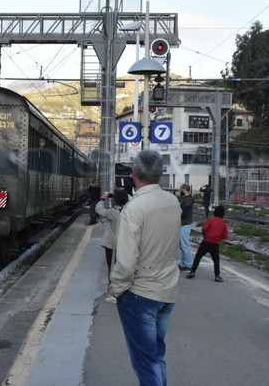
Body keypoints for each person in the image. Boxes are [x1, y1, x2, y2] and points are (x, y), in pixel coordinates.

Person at [109, 150, 181, 386]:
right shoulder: (173, 202)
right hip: (167, 291)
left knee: (145, 363)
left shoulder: (134, 208)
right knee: (156, 356)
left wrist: (116, 289)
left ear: (134, 173)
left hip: (139, 294)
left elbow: (127, 261)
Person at [96, 188, 129, 303]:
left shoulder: (113, 213)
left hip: (112, 245)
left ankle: (114, 294)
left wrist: (103, 198)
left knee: (112, 269)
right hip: (125, 244)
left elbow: (99, 209)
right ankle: (123, 290)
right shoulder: (128, 210)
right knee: (122, 268)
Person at [186, 205, 228, 282]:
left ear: (214, 212)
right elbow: (225, 236)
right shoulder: (223, 223)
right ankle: (217, 276)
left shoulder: (211, 220)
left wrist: (206, 235)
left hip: (206, 241)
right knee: (216, 260)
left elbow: (204, 228)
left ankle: (192, 272)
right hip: (215, 243)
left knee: (198, 256)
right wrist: (218, 238)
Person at [179, 184, 195, 271]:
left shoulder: (188, 200)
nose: (179, 191)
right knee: (182, 245)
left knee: (185, 245)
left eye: (180, 189)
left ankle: (188, 264)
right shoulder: (186, 199)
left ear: (184, 189)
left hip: (185, 224)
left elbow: (184, 214)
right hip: (183, 224)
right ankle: (184, 262)